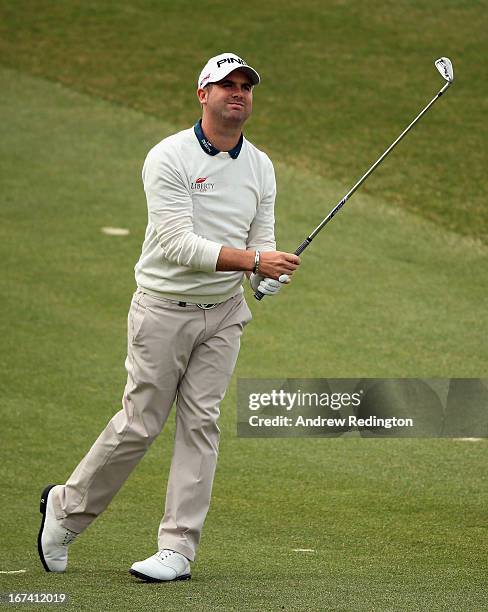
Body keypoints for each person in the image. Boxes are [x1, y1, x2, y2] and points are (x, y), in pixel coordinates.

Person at [37, 52, 300, 582]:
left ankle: (177, 548)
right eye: (227, 85)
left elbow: (261, 238)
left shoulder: (261, 165)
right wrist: (252, 261)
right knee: (141, 424)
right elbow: (179, 244)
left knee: (201, 424)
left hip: (224, 313)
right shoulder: (169, 157)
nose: (239, 94)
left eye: (247, 86)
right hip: (162, 309)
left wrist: (265, 274)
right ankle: (64, 511)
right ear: (203, 94)